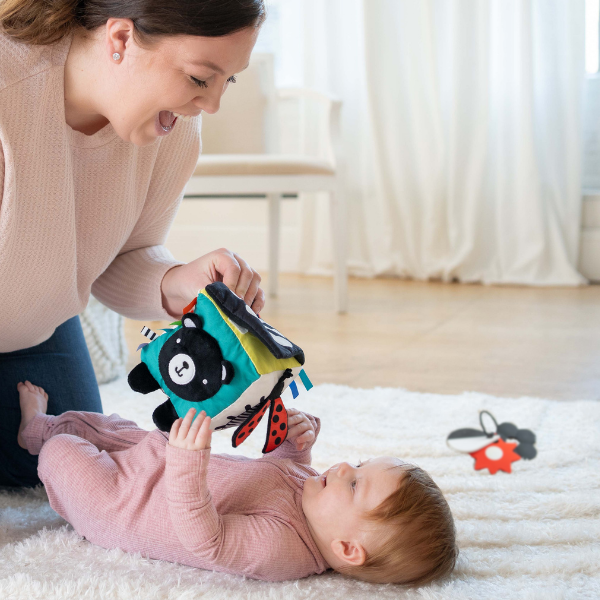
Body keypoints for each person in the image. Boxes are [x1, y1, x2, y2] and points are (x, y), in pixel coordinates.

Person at [0, 0, 266, 487]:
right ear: (120, 39)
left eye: (228, 80)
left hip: (34, 327)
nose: (211, 105)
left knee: (58, 460)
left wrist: (179, 281)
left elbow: (124, 256)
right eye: (200, 79)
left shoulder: (174, 128)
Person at [17, 380, 458, 585]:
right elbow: (272, 477)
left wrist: (188, 464)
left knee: (65, 453)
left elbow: (206, 540)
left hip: (118, 506)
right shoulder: (314, 497)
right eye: (359, 464)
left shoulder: (281, 550)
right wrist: (293, 444)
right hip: (152, 464)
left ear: (347, 549)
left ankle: (38, 431)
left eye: (356, 484)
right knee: (111, 427)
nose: (343, 467)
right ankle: (39, 427)